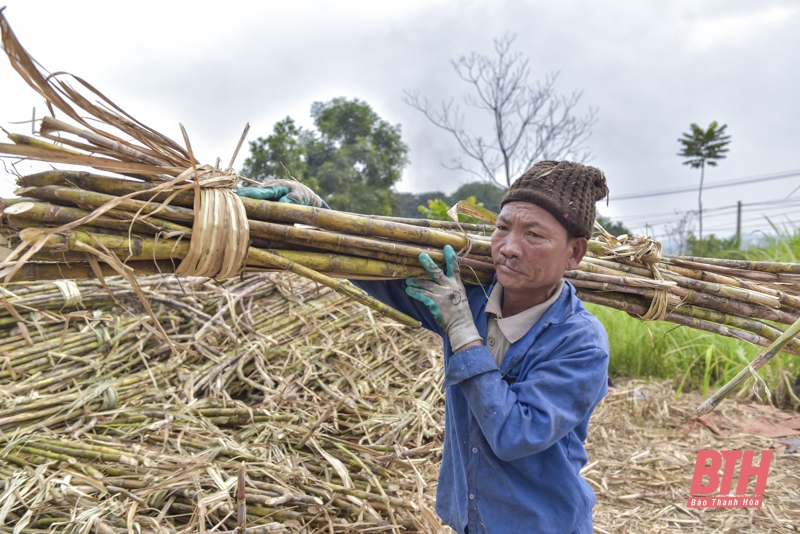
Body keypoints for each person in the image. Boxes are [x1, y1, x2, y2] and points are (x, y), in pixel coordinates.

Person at [238, 161, 611, 533]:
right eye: (502, 227)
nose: (509, 248)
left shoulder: (579, 342)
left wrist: (463, 330)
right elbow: (383, 277)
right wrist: (314, 213)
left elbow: (516, 433)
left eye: (534, 235)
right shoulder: (472, 297)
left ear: (574, 253)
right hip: (470, 521)